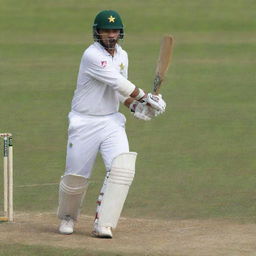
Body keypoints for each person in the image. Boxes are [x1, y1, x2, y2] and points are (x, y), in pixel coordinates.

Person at [57, 10, 166, 238]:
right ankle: (68, 217)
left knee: (122, 168)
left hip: (110, 121)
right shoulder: (91, 55)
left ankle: (103, 223)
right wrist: (146, 97)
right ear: (97, 32)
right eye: (106, 30)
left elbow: (117, 90)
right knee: (76, 176)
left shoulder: (123, 56)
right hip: (84, 121)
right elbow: (118, 81)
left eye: (114, 30)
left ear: (120, 32)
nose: (111, 35)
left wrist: (136, 106)